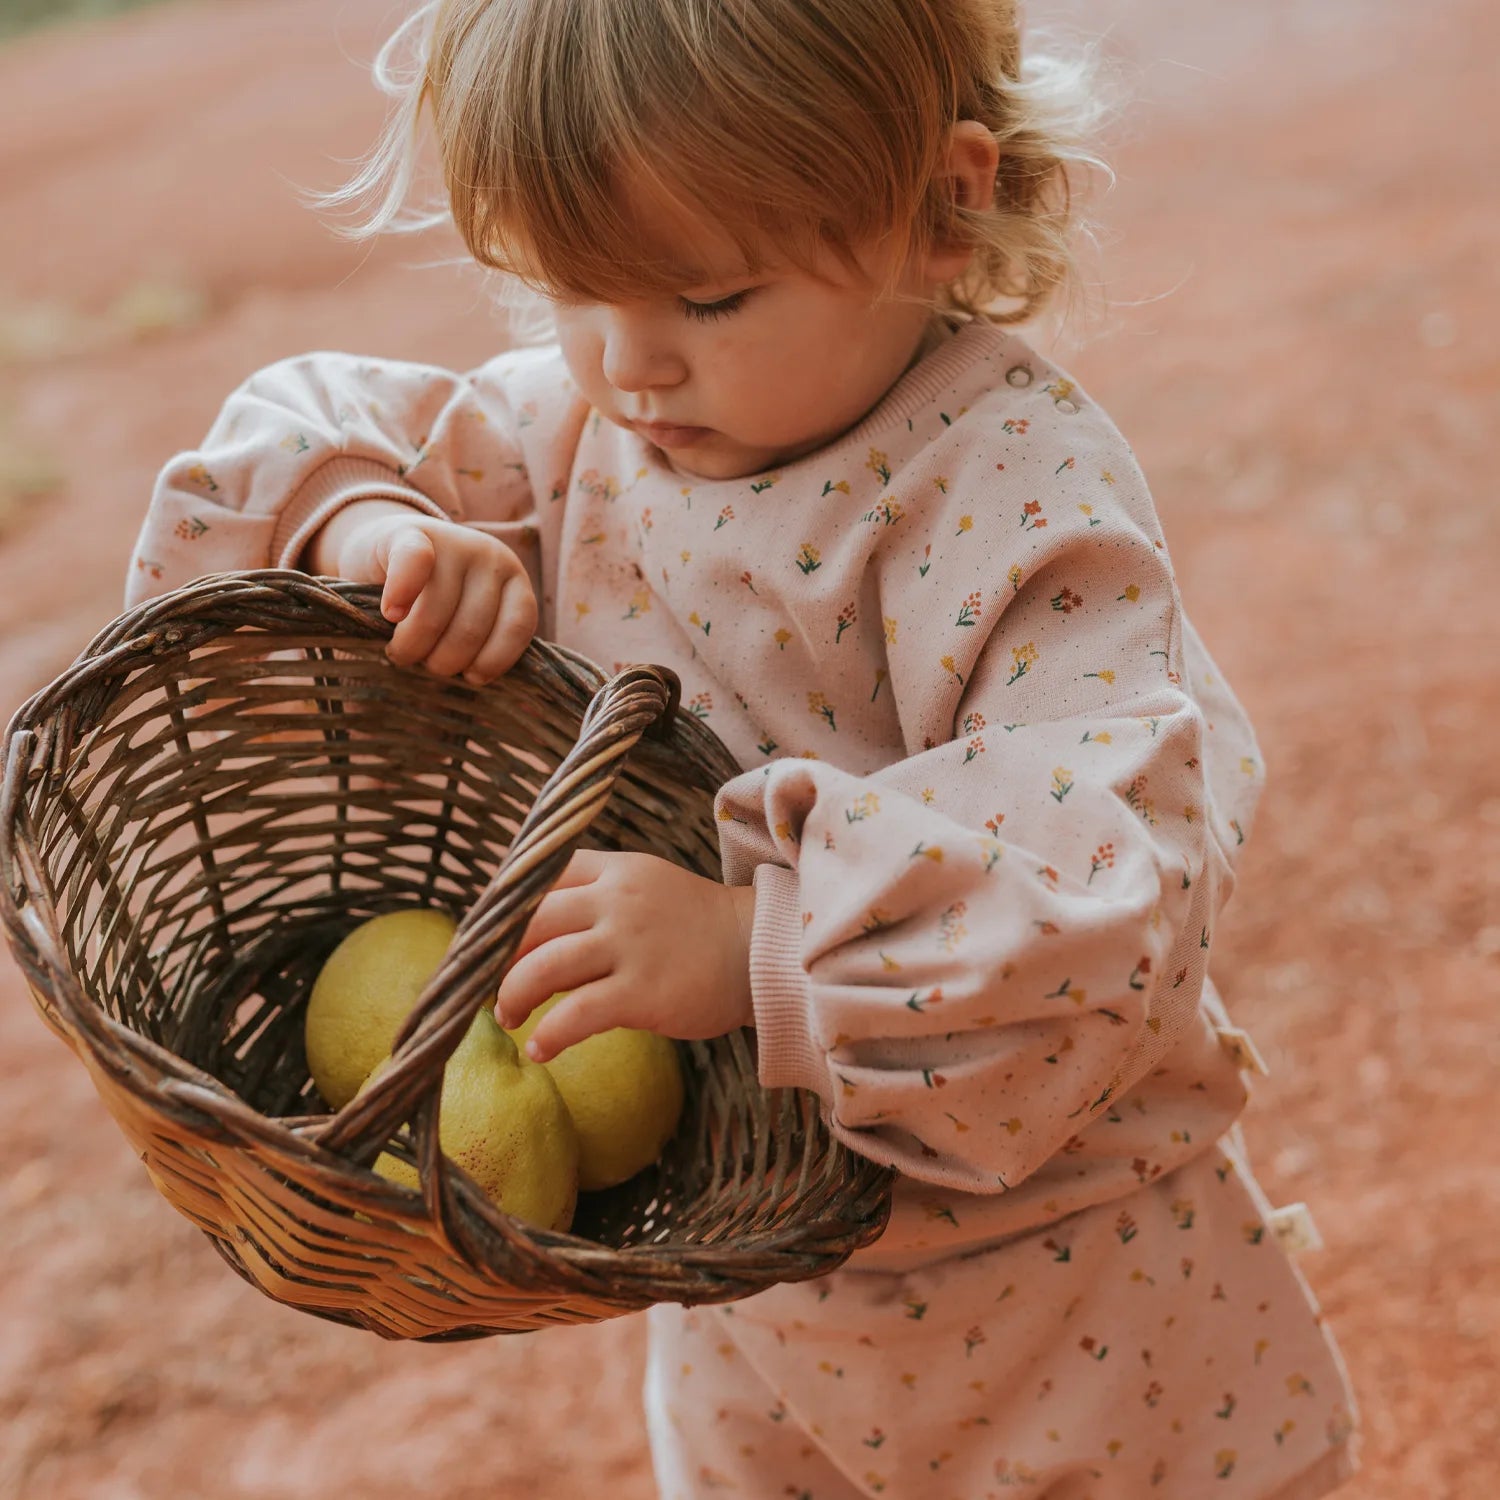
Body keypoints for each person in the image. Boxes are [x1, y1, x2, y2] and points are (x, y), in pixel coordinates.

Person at [124, 1, 1359, 1494]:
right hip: (758, 1290)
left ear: (943, 209)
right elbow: (303, 427)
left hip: (1062, 1281)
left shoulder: (1011, 494)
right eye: (569, 290)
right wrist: (378, 526)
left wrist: (753, 945)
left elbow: (1106, 882)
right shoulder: (581, 435)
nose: (629, 366)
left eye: (707, 299)